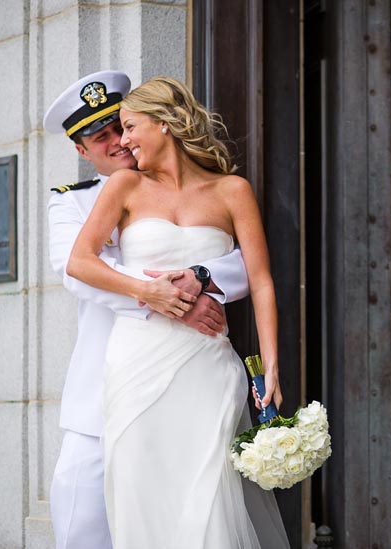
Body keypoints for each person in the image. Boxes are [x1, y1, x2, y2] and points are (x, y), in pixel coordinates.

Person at [65, 76, 288, 548]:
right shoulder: (124, 185)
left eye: (128, 127)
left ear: (164, 123)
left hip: (208, 366)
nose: (122, 142)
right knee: (143, 495)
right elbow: (79, 262)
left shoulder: (232, 191)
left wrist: (270, 366)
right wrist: (149, 293)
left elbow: (261, 278)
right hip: (136, 364)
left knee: (212, 495)